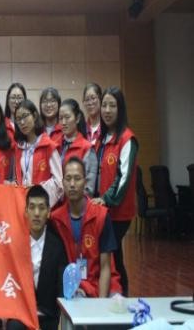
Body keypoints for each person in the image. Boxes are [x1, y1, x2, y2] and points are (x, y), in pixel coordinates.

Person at [51, 157, 121, 298]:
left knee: (116, 302)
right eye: (68, 179)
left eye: (77, 178)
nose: (72, 184)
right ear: (62, 182)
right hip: (74, 287)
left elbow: (105, 267)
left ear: (85, 181)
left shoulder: (101, 215)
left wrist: (101, 304)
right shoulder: (55, 219)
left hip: (101, 284)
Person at [92, 87, 138, 297]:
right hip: (102, 210)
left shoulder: (127, 139)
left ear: (121, 109)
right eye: (104, 105)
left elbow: (123, 177)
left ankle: (122, 296)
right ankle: (113, 295)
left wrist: (106, 199)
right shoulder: (102, 139)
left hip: (118, 212)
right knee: (112, 255)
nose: (107, 110)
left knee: (114, 254)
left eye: (113, 105)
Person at [6, 186, 67, 330]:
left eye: (41, 208)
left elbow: (61, 288)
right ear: (26, 212)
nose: (37, 213)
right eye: (32, 207)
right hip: (22, 316)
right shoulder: (15, 245)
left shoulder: (57, 246)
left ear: (49, 212)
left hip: (49, 317)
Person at [14, 100, 63, 208]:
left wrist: (36, 190)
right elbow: (19, 178)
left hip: (42, 207)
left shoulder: (48, 146)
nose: (22, 122)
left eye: (25, 116)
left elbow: (58, 182)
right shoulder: (19, 148)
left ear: (35, 116)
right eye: (18, 119)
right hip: (23, 204)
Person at [58, 98, 98, 196]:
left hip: (76, 203)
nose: (63, 122)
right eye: (61, 118)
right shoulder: (55, 145)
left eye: (67, 117)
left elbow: (89, 189)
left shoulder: (87, 148)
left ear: (77, 118)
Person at [82, 83, 103, 147]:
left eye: (93, 98)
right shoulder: (81, 129)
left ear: (100, 99)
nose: (90, 103)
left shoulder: (106, 128)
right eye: (87, 100)